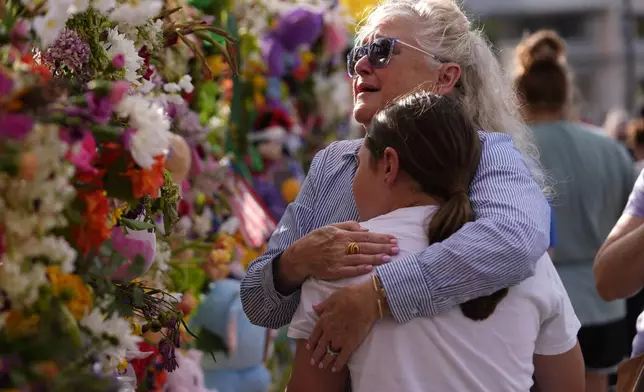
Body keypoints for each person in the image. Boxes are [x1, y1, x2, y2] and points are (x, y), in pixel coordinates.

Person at [240, 0, 550, 370]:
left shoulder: (487, 154)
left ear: (445, 77)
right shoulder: (333, 162)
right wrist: (294, 262)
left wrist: (377, 295)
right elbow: (257, 304)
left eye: (381, 50)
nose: (360, 64)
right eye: (357, 52)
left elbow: (515, 240)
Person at [285, 92, 583, 392]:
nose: (353, 181)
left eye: (358, 164)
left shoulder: (342, 264)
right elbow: (569, 384)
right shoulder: (528, 261)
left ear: (388, 165)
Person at [513, 30, 636, 392]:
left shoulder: (509, 150)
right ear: (566, 93)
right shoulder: (609, 149)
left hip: (537, 303)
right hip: (605, 304)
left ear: (518, 95)